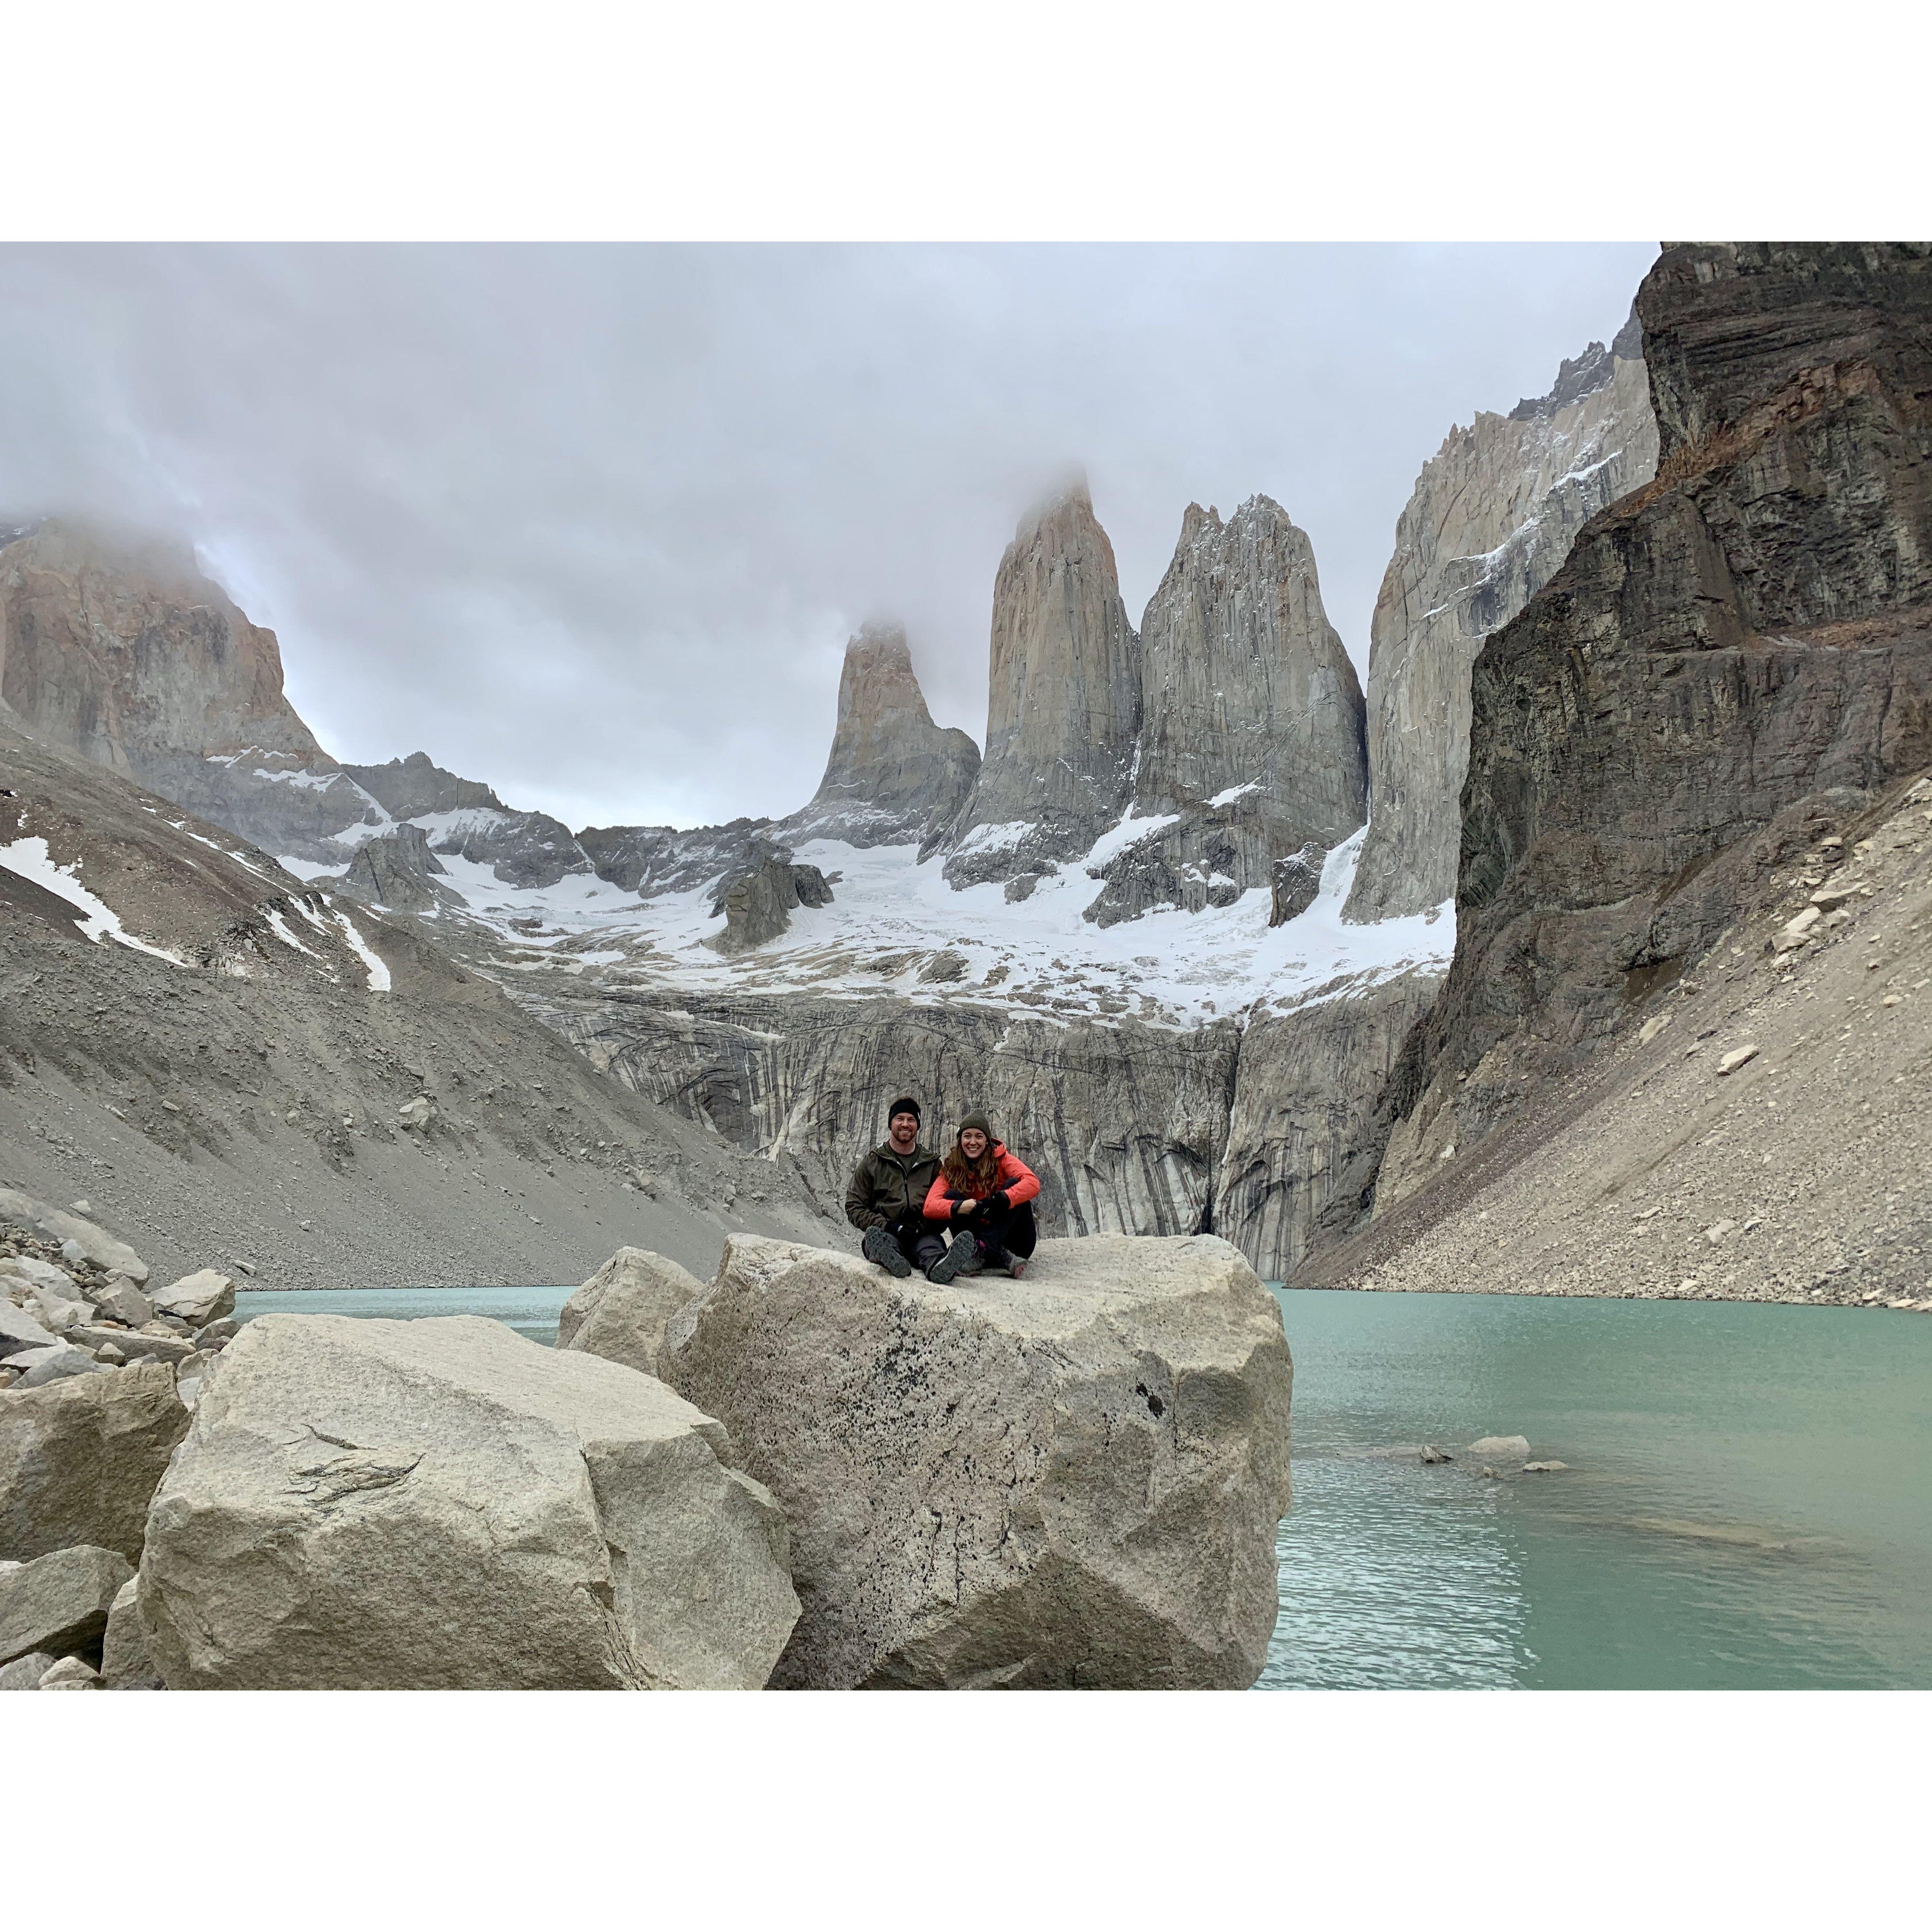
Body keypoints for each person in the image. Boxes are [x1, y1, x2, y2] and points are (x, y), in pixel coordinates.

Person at [923, 1110, 1040, 1282]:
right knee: (951, 1196)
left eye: (979, 1136)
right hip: (974, 1247)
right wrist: (959, 1207)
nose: (973, 1142)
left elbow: (1033, 1183)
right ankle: (998, 1254)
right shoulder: (952, 1168)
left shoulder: (1002, 1159)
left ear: (987, 1140)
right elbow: (929, 1207)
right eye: (967, 1136)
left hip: (1016, 1245)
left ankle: (984, 1249)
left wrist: (1002, 1200)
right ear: (960, 1140)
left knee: (1014, 1185)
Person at [844, 1095, 947, 1280]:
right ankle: (892, 1261)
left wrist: (922, 1228)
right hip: (887, 1232)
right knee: (880, 1243)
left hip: (923, 1235)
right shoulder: (873, 1162)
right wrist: (889, 1226)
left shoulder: (932, 1163)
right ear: (890, 1124)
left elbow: (944, 1204)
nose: (905, 1124)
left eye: (911, 1120)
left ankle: (940, 1268)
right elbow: (854, 1206)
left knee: (932, 1249)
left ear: (918, 1125)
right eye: (900, 1119)